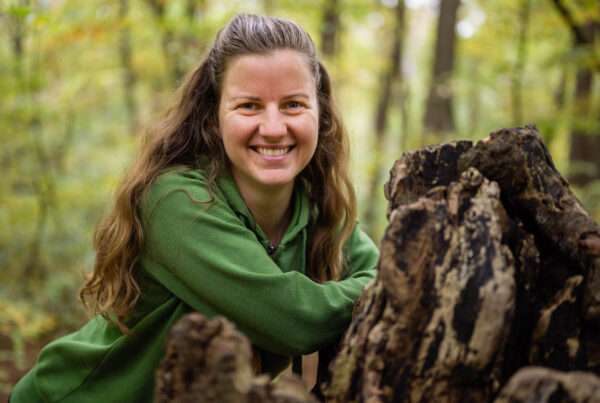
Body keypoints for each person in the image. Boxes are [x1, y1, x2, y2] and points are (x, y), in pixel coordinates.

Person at [10, 13, 379, 402]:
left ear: (319, 114)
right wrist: (372, 291)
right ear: (214, 116)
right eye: (249, 105)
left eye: (293, 104)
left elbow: (389, 271)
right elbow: (296, 320)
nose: (273, 127)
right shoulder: (176, 202)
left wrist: (377, 286)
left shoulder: (320, 211)